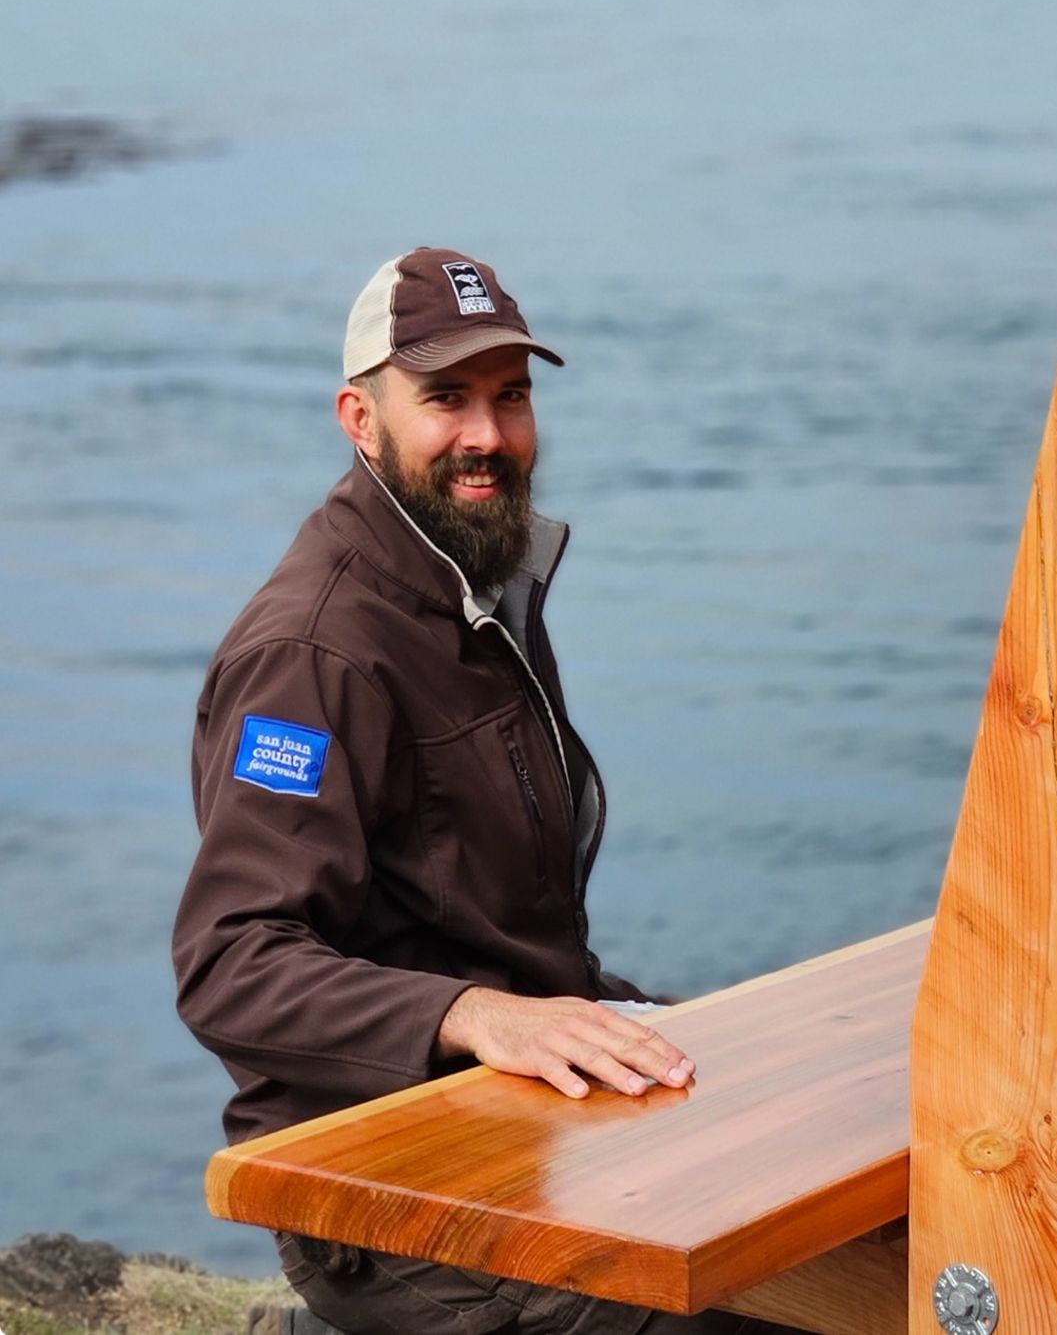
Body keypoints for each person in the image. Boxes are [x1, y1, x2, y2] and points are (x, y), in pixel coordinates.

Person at [173, 247, 805, 1335]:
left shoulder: (474, 579)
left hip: (520, 1120)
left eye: (510, 397)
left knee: (828, 1177)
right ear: (359, 418)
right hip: (377, 1184)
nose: (488, 435)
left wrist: (626, 1022)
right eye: (446, 398)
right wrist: (473, 1015)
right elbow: (232, 961)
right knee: (746, 1312)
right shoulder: (315, 655)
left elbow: (490, 930)